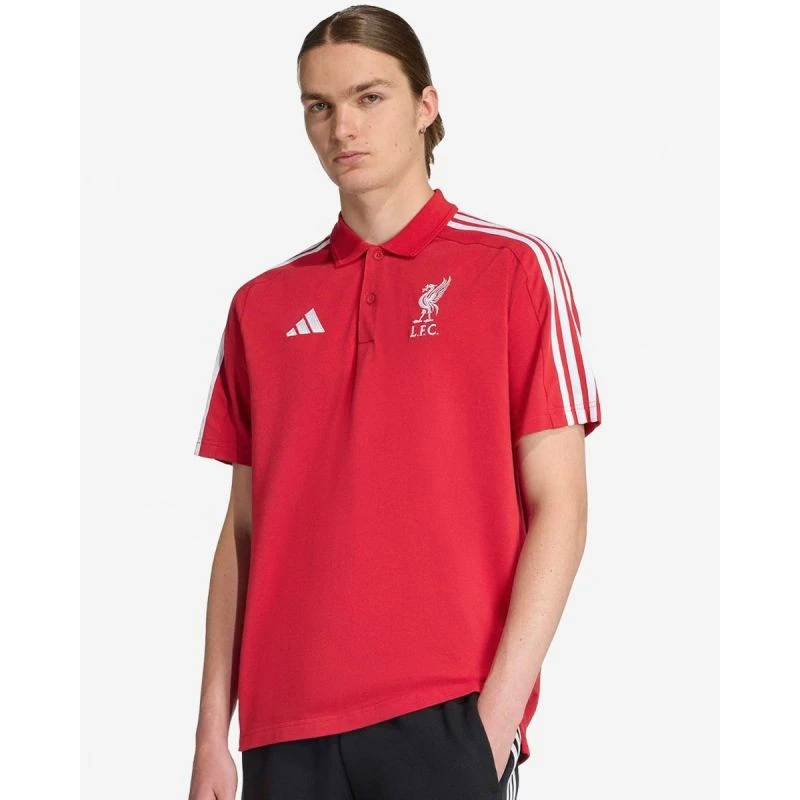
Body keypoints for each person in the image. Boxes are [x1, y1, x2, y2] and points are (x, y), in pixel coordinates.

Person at [188, 5, 601, 800]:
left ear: (425, 106)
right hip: (284, 727)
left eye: (369, 97)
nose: (342, 127)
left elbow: (563, 508)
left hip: (445, 715)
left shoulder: (514, 270)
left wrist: (493, 723)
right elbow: (243, 531)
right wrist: (213, 734)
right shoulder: (261, 306)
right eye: (319, 105)